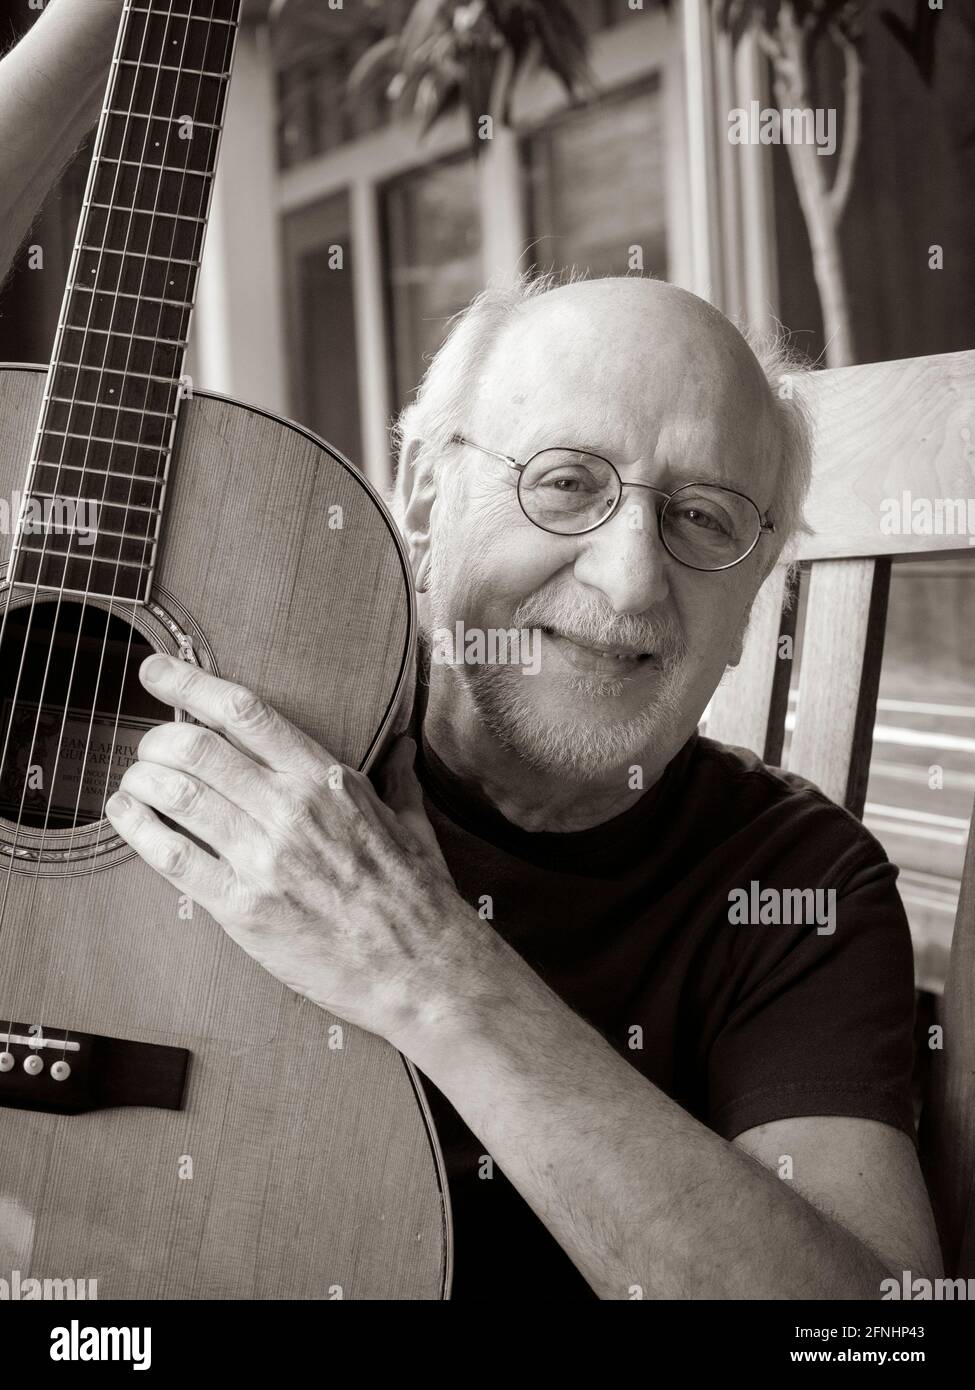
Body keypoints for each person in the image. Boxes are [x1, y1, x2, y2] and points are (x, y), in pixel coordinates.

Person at [0, 0, 942, 1300]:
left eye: (705, 519)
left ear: (757, 591)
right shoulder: (228, 706)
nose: (628, 576)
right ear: (425, 494)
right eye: (565, 482)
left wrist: (433, 967)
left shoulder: (797, 889)